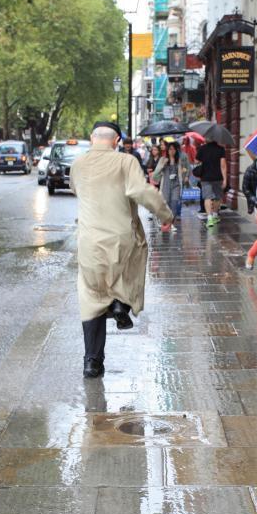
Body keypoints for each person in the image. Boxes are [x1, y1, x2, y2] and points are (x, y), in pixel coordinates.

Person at [70, 122, 174, 378]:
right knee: (129, 268)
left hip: (89, 242)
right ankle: (121, 303)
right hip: (120, 238)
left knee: (91, 299)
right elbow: (140, 191)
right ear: (116, 140)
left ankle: (92, 362)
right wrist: (164, 214)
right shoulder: (126, 162)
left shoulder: (78, 165)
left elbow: (76, 190)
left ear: (92, 138)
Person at [153, 141, 189, 231]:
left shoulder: (179, 160)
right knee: (166, 204)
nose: (171, 151)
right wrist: (162, 165)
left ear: (176, 150)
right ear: (167, 150)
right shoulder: (163, 159)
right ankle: (165, 222)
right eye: (170, 149)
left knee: (174, 203)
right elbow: (155, 174)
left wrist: (184, 173)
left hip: (176, 185)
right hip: (165, 184)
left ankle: (171, 223)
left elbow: (185, 171)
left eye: (173, 149)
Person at [195, 138, 227, 228]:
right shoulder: (221, 149)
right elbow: (223, 165)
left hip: (205, 177)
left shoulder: (202, 149)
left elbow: (196, 161)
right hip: (218, 177)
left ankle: (209, 219)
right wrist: (225, 179)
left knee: (207, 197)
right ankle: (215, 215)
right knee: (217, 197)